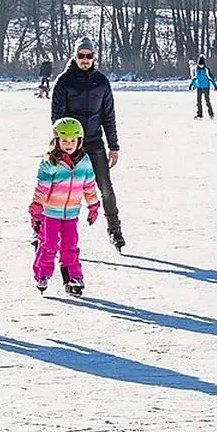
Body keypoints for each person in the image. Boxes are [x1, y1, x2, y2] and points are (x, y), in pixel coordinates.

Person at [52, 37, 124, 251]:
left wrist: (114, 146)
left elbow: (108, 116)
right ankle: (45, 233)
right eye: (81, 55)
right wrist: (61, 144)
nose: (85, 59)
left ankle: (115, 231)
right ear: (75, 56)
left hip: (93, 142)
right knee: (58, 190)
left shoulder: (101, 82)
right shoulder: (63, 81)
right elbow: (56, 117)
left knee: (106, 188)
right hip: (68, 145)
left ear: (94, 57)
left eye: (89, 56)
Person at [29, 117, 100, 296]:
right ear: (56, 140)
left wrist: (93, 206)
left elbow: (89, 186)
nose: (69, 144)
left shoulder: (85, 162)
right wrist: (36, 208)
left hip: (71, 214)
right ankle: (42, 274)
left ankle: (73, 277)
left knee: (70, 246)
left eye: (73, 141)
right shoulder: (50, 162)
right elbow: (42, 188)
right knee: (49, 245)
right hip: (50, 213)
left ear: (79, 141)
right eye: (65, 140)